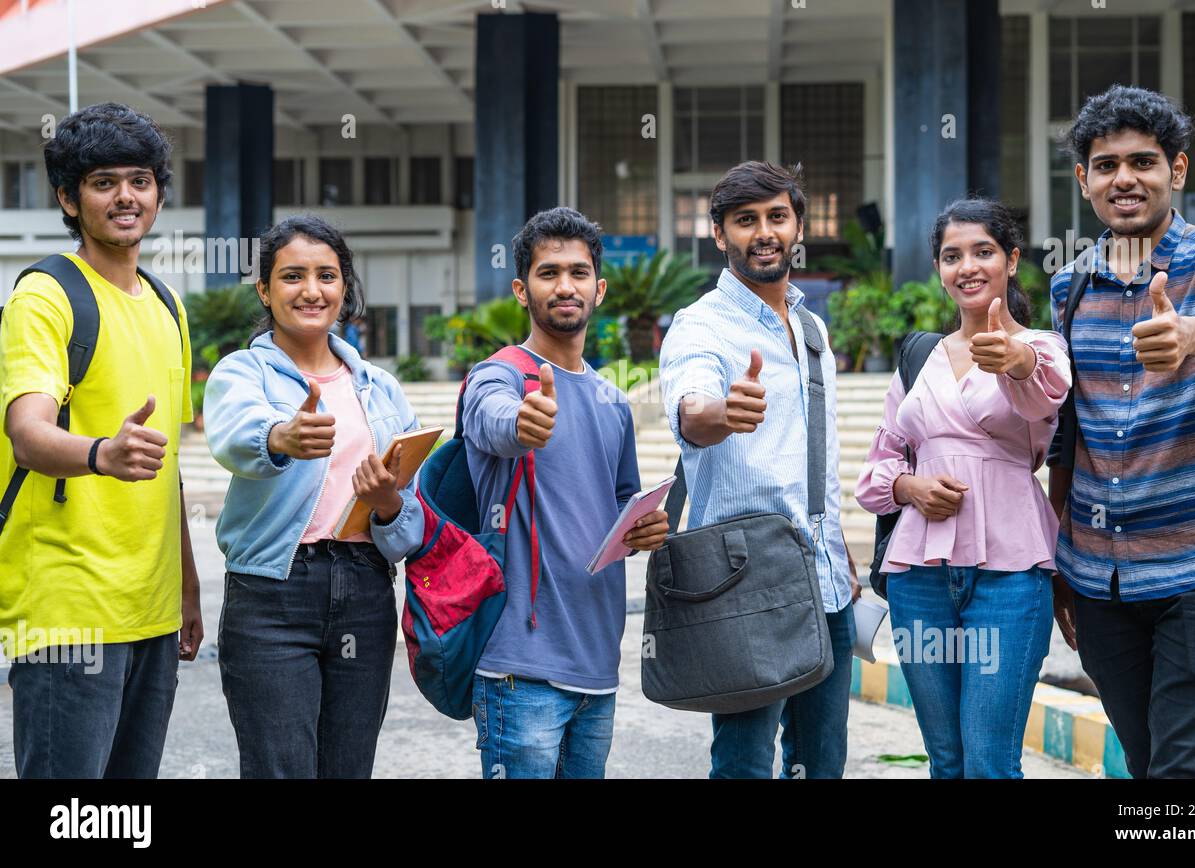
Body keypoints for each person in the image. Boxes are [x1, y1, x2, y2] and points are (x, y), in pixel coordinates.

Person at [1048, 85, 1195, 779]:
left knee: (1187, 771)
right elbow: (1069, 432)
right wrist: (1060, 556)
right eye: (1106, 164)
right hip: (1103, 579)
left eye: (1144, 162)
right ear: (1084, 179)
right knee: (1149, 762)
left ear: (1177, 171)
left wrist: (1190, 334)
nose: (1125, 178)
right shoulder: (1070, 286)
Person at [0, 103, 202, 778]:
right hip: (70, 608)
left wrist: (189, 593)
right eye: (104, 181)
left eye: (140, 180)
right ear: (68, 197)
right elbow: (27, 433)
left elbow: (165, 464)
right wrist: (100, 455)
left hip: (150, 605)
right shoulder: (46, 296)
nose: (126, 196)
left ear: (159, 192)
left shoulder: (169, 306)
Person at [658, 161, 860, 779]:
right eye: (746, 221)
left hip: (822, 575)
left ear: (798, 225)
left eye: (778, 216)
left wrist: (840, 545)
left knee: (822, 762)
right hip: (744, 578)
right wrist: (723, 410)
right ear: (720, 235)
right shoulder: (700, 325)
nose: (765, 232)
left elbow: (810, 453)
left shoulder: (811, 326)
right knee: (745, 763)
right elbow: (691, 411)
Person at [856, 199, 1071, 778]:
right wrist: (910, 487)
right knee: (947, 761)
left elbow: (1041, 393)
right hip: (918, 578)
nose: (968, 267)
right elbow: (876, 472)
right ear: (938, 267)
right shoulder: (920, 357)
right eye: (953, 256)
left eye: (983, 252)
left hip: (1011, 572)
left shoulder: (1044, 348)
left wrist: (1013, 358)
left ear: (1012, 260)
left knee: (988, 763)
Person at [204, 216, 423, 778]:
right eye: (292, 276)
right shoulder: (242, 373)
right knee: (280, 769)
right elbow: (234, 437)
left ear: (344, 288)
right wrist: (281, 437)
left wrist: (388, 504)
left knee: (349, 768)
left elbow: (411, 518)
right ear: (265, 289)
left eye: (326, 276)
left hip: (365, 590)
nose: (311, 291)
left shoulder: (380, 388)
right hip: (272, 595)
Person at [462, 206, 668, 779]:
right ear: (521, 290)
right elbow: (491, 421)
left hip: (597, 665)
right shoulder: (497, 375)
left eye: (578, 273)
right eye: (548, 273)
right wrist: (521, 423)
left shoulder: (611, 400)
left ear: (598, 289)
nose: (565, 286)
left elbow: (623, 506)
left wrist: (647, 527)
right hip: (518, 666)